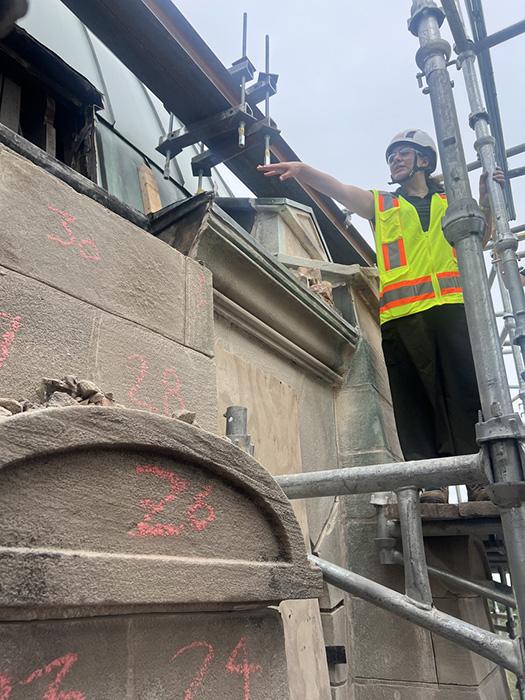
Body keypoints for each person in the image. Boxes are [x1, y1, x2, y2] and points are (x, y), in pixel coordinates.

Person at [258, 129, 504, 503]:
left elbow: (477, 241)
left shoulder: (450, 201)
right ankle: (432, 482)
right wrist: (303, 170)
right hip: (403, 317)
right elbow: (339, 189)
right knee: (414, 401)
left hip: (453, 310)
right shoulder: (383, 205)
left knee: (466, 395)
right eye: (391, 157)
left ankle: (477, 481)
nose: (395, 161)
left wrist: (485, 198)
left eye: (402, 154)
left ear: (424, 159)